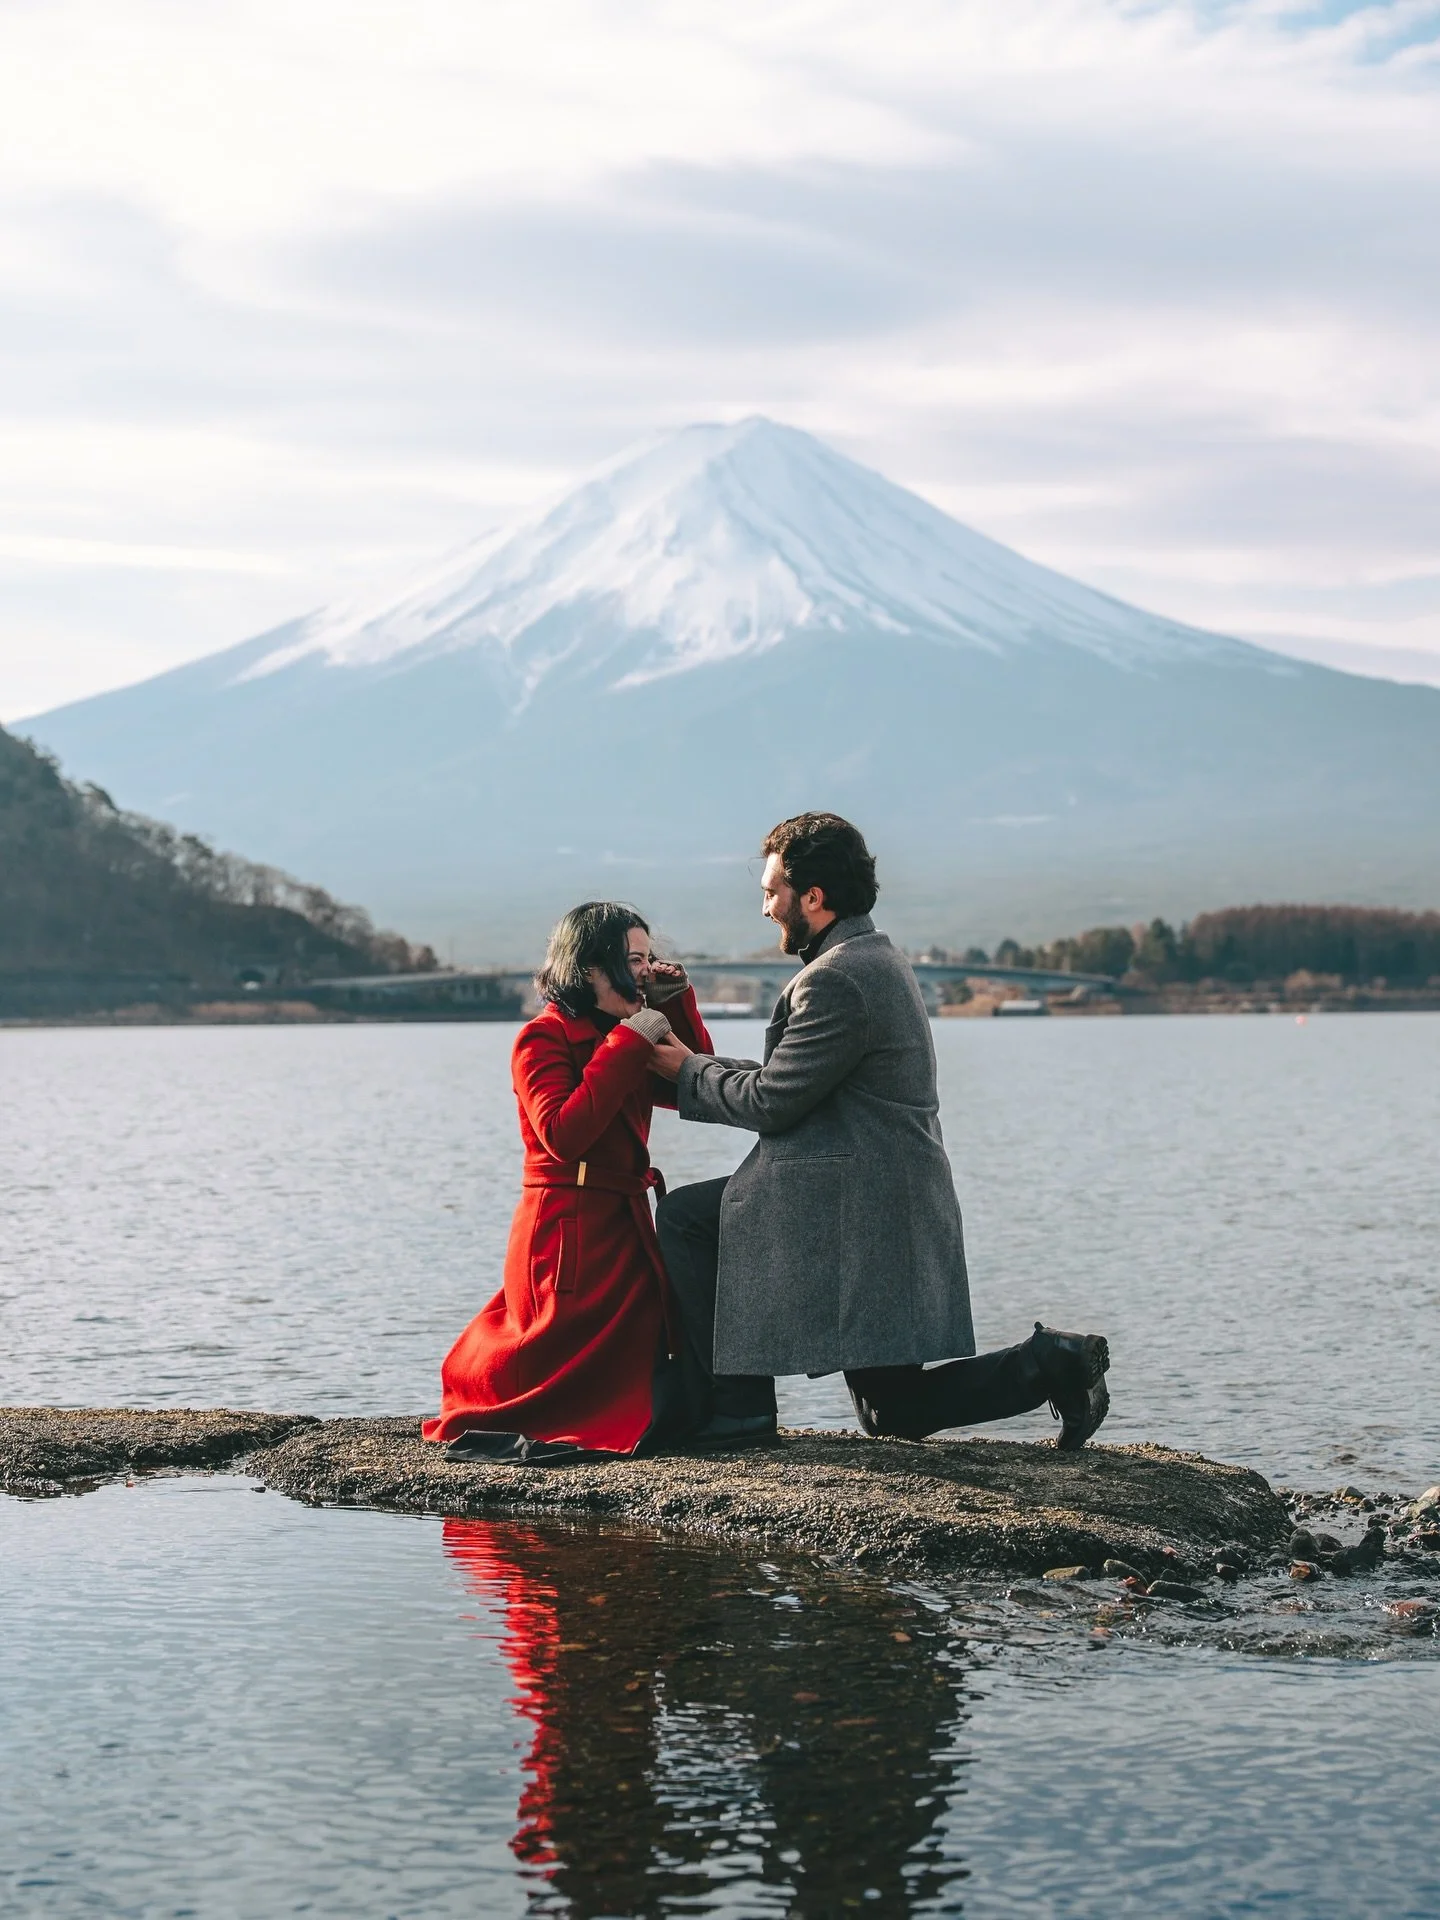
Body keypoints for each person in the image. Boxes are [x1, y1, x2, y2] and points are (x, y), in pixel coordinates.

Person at [650, 812, 1111, 1449]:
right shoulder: (872, 959)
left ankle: (738, 1411)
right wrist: (694, 1063)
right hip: (887, 1197)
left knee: (685, 1218)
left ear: (812, 897)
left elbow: (773, 1103)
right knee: (891, 1411)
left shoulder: (835, 978)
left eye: (771, 891)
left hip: (854, 1206)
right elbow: (797, 1080)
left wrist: (684, 1071)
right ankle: (1052, 1364)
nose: (764, 908)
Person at [422, 903, 712, 1464]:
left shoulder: (626, 1034)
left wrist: (675, 1005)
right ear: (587, 971)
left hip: (624, 1221)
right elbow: (562, 1134)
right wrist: (632, 1039)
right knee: (554, 1356)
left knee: (635, 1360)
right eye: (633, 961)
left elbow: (691, 1087)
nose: (645, 973)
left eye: (649, 960)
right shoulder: (543, 1038)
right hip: (565, 1229)